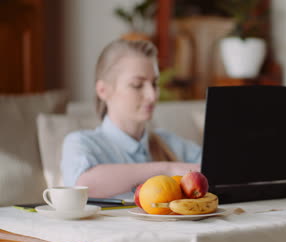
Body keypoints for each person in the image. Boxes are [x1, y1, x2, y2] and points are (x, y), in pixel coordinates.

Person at [61, 39, 201, 199]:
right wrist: (166, 169)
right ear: (103, 90)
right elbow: (82, 186)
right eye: (137, 85)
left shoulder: (170, 143)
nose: (152, 95)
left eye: (155, 83)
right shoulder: (81, 143)